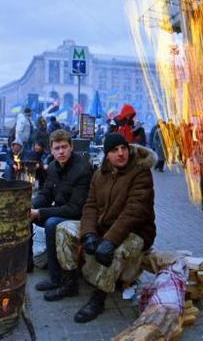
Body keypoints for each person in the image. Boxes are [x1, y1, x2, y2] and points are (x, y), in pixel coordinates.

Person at [54, 133, 156, 323]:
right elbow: (90, 206)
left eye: (124, 148)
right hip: (104, 226)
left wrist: (109, 240)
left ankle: (99, 298)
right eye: (114, 150)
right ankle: (69, 282)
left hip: (135, 231)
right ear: (107, 155)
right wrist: (89, 234)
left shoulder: (140, 172)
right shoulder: (100, 174)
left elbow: (134, 212)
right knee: (63, 228)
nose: (121, 153)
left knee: (115, 249)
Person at [29, 130, 93, 300]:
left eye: (64, 147)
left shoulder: (83, 169)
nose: (61, 152)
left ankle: (57, 278)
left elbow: (76, 208)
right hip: (62, 211)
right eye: (57, 148)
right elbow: (45, 195)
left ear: (71, 147)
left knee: (51, 224)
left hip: (81, 216)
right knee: (26, 216)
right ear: (51, 150)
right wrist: (30, 206)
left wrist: (39, 213)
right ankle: (28, 264)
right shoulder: (52, 167)